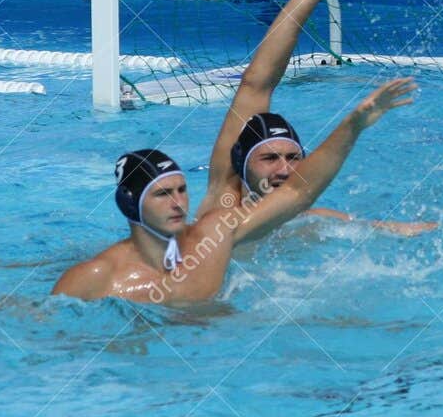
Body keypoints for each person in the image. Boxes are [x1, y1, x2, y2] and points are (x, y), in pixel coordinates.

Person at [52, 79, 418, 306]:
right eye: (163, 194)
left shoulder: (215, 235)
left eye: (181, 190)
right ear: (129, 204)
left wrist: (353, 126)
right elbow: (45, 329)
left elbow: (298, 195)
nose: (179, 202)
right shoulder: (95, 276)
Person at [195, 0, 435, 238]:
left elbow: (414, 233)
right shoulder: (222, 213)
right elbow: (256, 83)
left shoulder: (316, 222)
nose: (284, 170)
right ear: (241, 165)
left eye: (294, 158)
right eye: (269, 158)